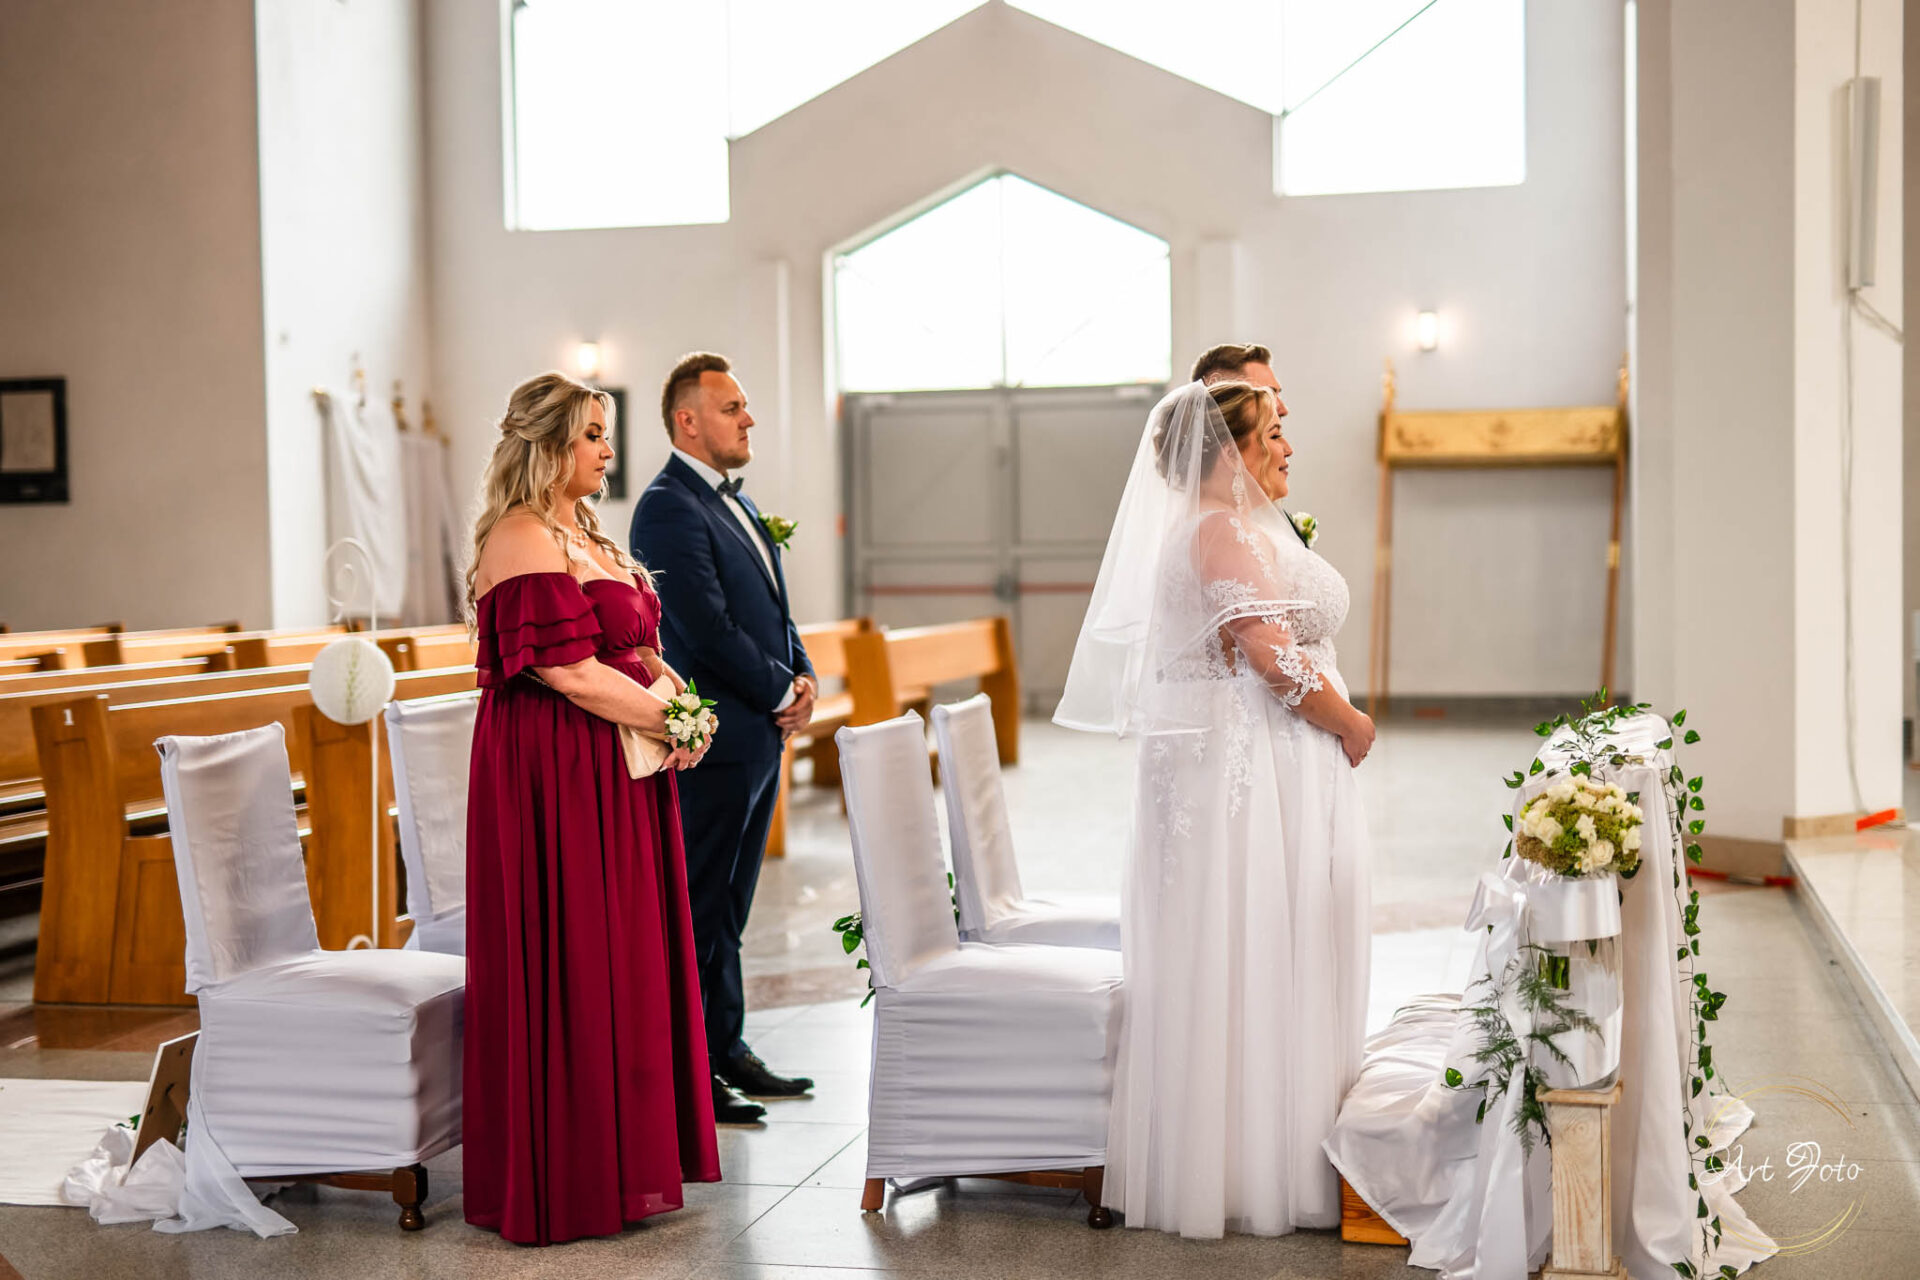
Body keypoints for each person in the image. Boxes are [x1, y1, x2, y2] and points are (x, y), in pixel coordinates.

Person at [1054, 377, 1374, 1238]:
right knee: (1251, 940)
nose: (1285, 445)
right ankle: (1254, 1165)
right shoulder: (1220, 530)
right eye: (1271, 432)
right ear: (1230, 451)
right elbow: (1271, 657)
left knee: (1237, 944)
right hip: (1245, 771)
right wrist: (1350, 722)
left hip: (1233, 764)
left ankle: (1239, 1148)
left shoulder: (1208, 527)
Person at [463, 371, 719, 1246]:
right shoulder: (521, 535)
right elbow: (567, 672)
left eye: (606, 434)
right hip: (556, 769)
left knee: (625, 955)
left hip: (618, 763)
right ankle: (568, 1174)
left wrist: (685, 709)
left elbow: (642, 651)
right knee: (574, 951)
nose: (608, 451)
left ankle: (625, 1156)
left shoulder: (586, 533)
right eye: (592, 436)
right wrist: (669, 720)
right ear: (547, 446)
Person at [630, 352, 816, 1125]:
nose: (748, 419)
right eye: (732, 407)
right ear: (688, 421)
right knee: (700, 905)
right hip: (714, 739)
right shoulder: (667, 507)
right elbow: (704, 625)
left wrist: (803, 673)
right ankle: (689, 1071)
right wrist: (778, 690)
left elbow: (772, 609)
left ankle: (726, 1045)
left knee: (734, 904)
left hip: (757, 737)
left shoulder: (735, 502)